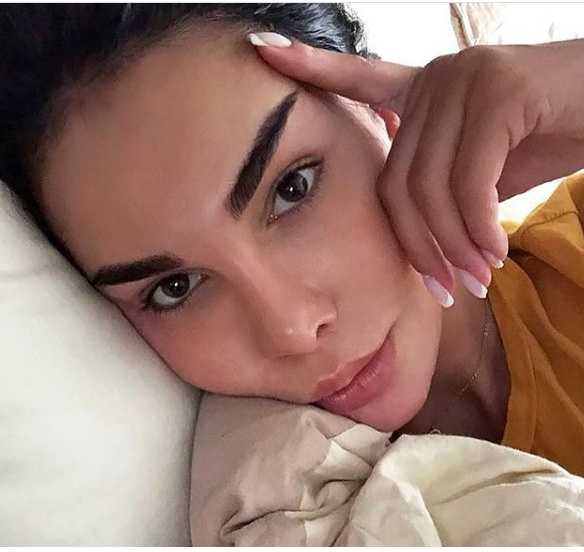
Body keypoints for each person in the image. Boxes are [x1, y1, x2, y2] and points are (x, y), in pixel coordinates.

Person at [1, 5, 583, 476]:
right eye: (175, 287)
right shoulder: (266, 514)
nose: (293, 329)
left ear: (380, 111)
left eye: (292, 188)